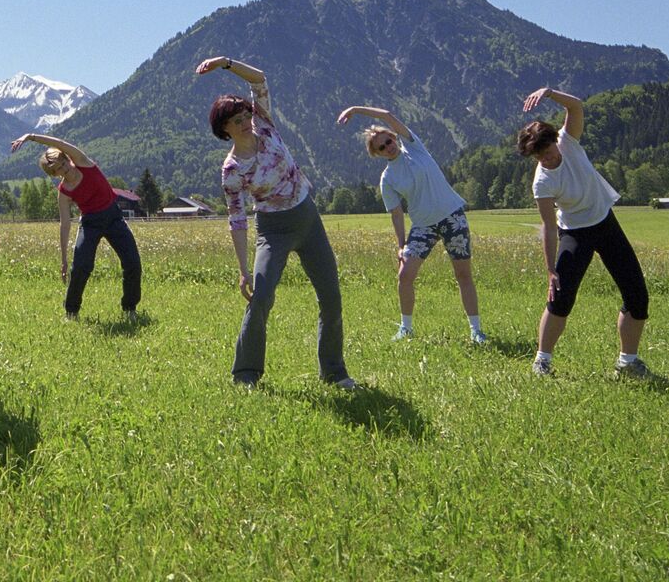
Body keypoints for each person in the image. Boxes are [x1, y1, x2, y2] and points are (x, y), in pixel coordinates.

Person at [198, 55, 354, 389]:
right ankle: (246, 374)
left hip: (308, 218)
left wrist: (225, 63)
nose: (245, 122)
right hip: (273, 230)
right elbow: (237, 219)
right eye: (237, 120)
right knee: (262, 297)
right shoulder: (232, 169)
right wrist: (243, 270)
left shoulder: (265, 125)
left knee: (331, 296)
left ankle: (334, 372)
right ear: (224, 129)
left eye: (246, 115)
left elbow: (259, 80)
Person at [517, 86, 651, 378]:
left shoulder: (568, 141)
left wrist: (549, 92)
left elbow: (576, 106)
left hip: (605, 223)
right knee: (560, 298)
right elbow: (548, 226)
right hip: (574, 233)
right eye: (539, 157)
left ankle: (627, 363)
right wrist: (550, 269)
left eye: (547, 152)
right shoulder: (542, 182)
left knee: (637, 295)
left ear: (555, 141)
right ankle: (542, 362)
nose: (546, 160)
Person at [338, 105, 486, 344]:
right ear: (378, 154)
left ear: (394, 137)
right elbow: (396, 214)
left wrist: (356, 110)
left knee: (463, 274)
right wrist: (401, 245)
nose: (388, 147)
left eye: (388, 141)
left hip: (452, 215)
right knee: (405, 275)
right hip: (423, 226)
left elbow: (387, 116)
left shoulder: (414, 147)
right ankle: (406, 328)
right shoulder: (387, 179)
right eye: (382, 147)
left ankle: (476, 331)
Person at [11, 132, 143, 320]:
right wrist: (64, 260)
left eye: (64, 163)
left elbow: (59, 142)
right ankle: (71, 312)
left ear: (67, 158)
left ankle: (130, 309)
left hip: (113, 217)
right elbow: (65, 225)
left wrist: (30, 137)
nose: (65, 169)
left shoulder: (82, 162)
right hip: (90, 223)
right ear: (55, 175)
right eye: (59, 169)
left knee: (132, 263)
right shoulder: (64, 193)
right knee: (80, 267)